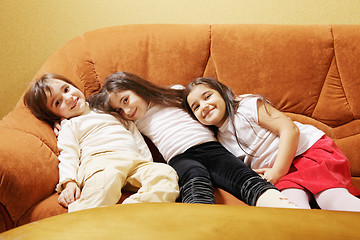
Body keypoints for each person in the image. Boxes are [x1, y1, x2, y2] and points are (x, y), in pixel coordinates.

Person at [90, 71, 298, 208]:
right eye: (119, 109)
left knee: (241, 176)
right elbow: (96, 118)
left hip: (210, 147)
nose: (126, 110)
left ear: (137, 87)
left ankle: (286, 209)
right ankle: (199, 227)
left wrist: (232, 100)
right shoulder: (133, 121)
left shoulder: (175, 93)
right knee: (194, 180)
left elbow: (208, 106)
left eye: (126, 100)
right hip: (180, 158)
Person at [184, 77, 360, 211]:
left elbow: (289, 130)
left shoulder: (246, 106)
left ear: (222, 93)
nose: (204, 106)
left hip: (308, 152)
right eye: (196, 107)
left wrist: (277, 171)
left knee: (330, 198)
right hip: (285, 174)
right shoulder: (219, 140)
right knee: (289, 207)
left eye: (207, 96)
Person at [23, 73, 179, 212]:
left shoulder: (105, 108)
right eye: (58, 102)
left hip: (134, 161)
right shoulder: (70, 125)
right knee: (104, 185)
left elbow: (133, 131)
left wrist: (147, 163)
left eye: (66, 89)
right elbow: (68, 153)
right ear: (53, 115)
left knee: (166, 174)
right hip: (102, 163)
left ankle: (130, 214)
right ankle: (81, 225)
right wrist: (69, 182)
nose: (68, 98)